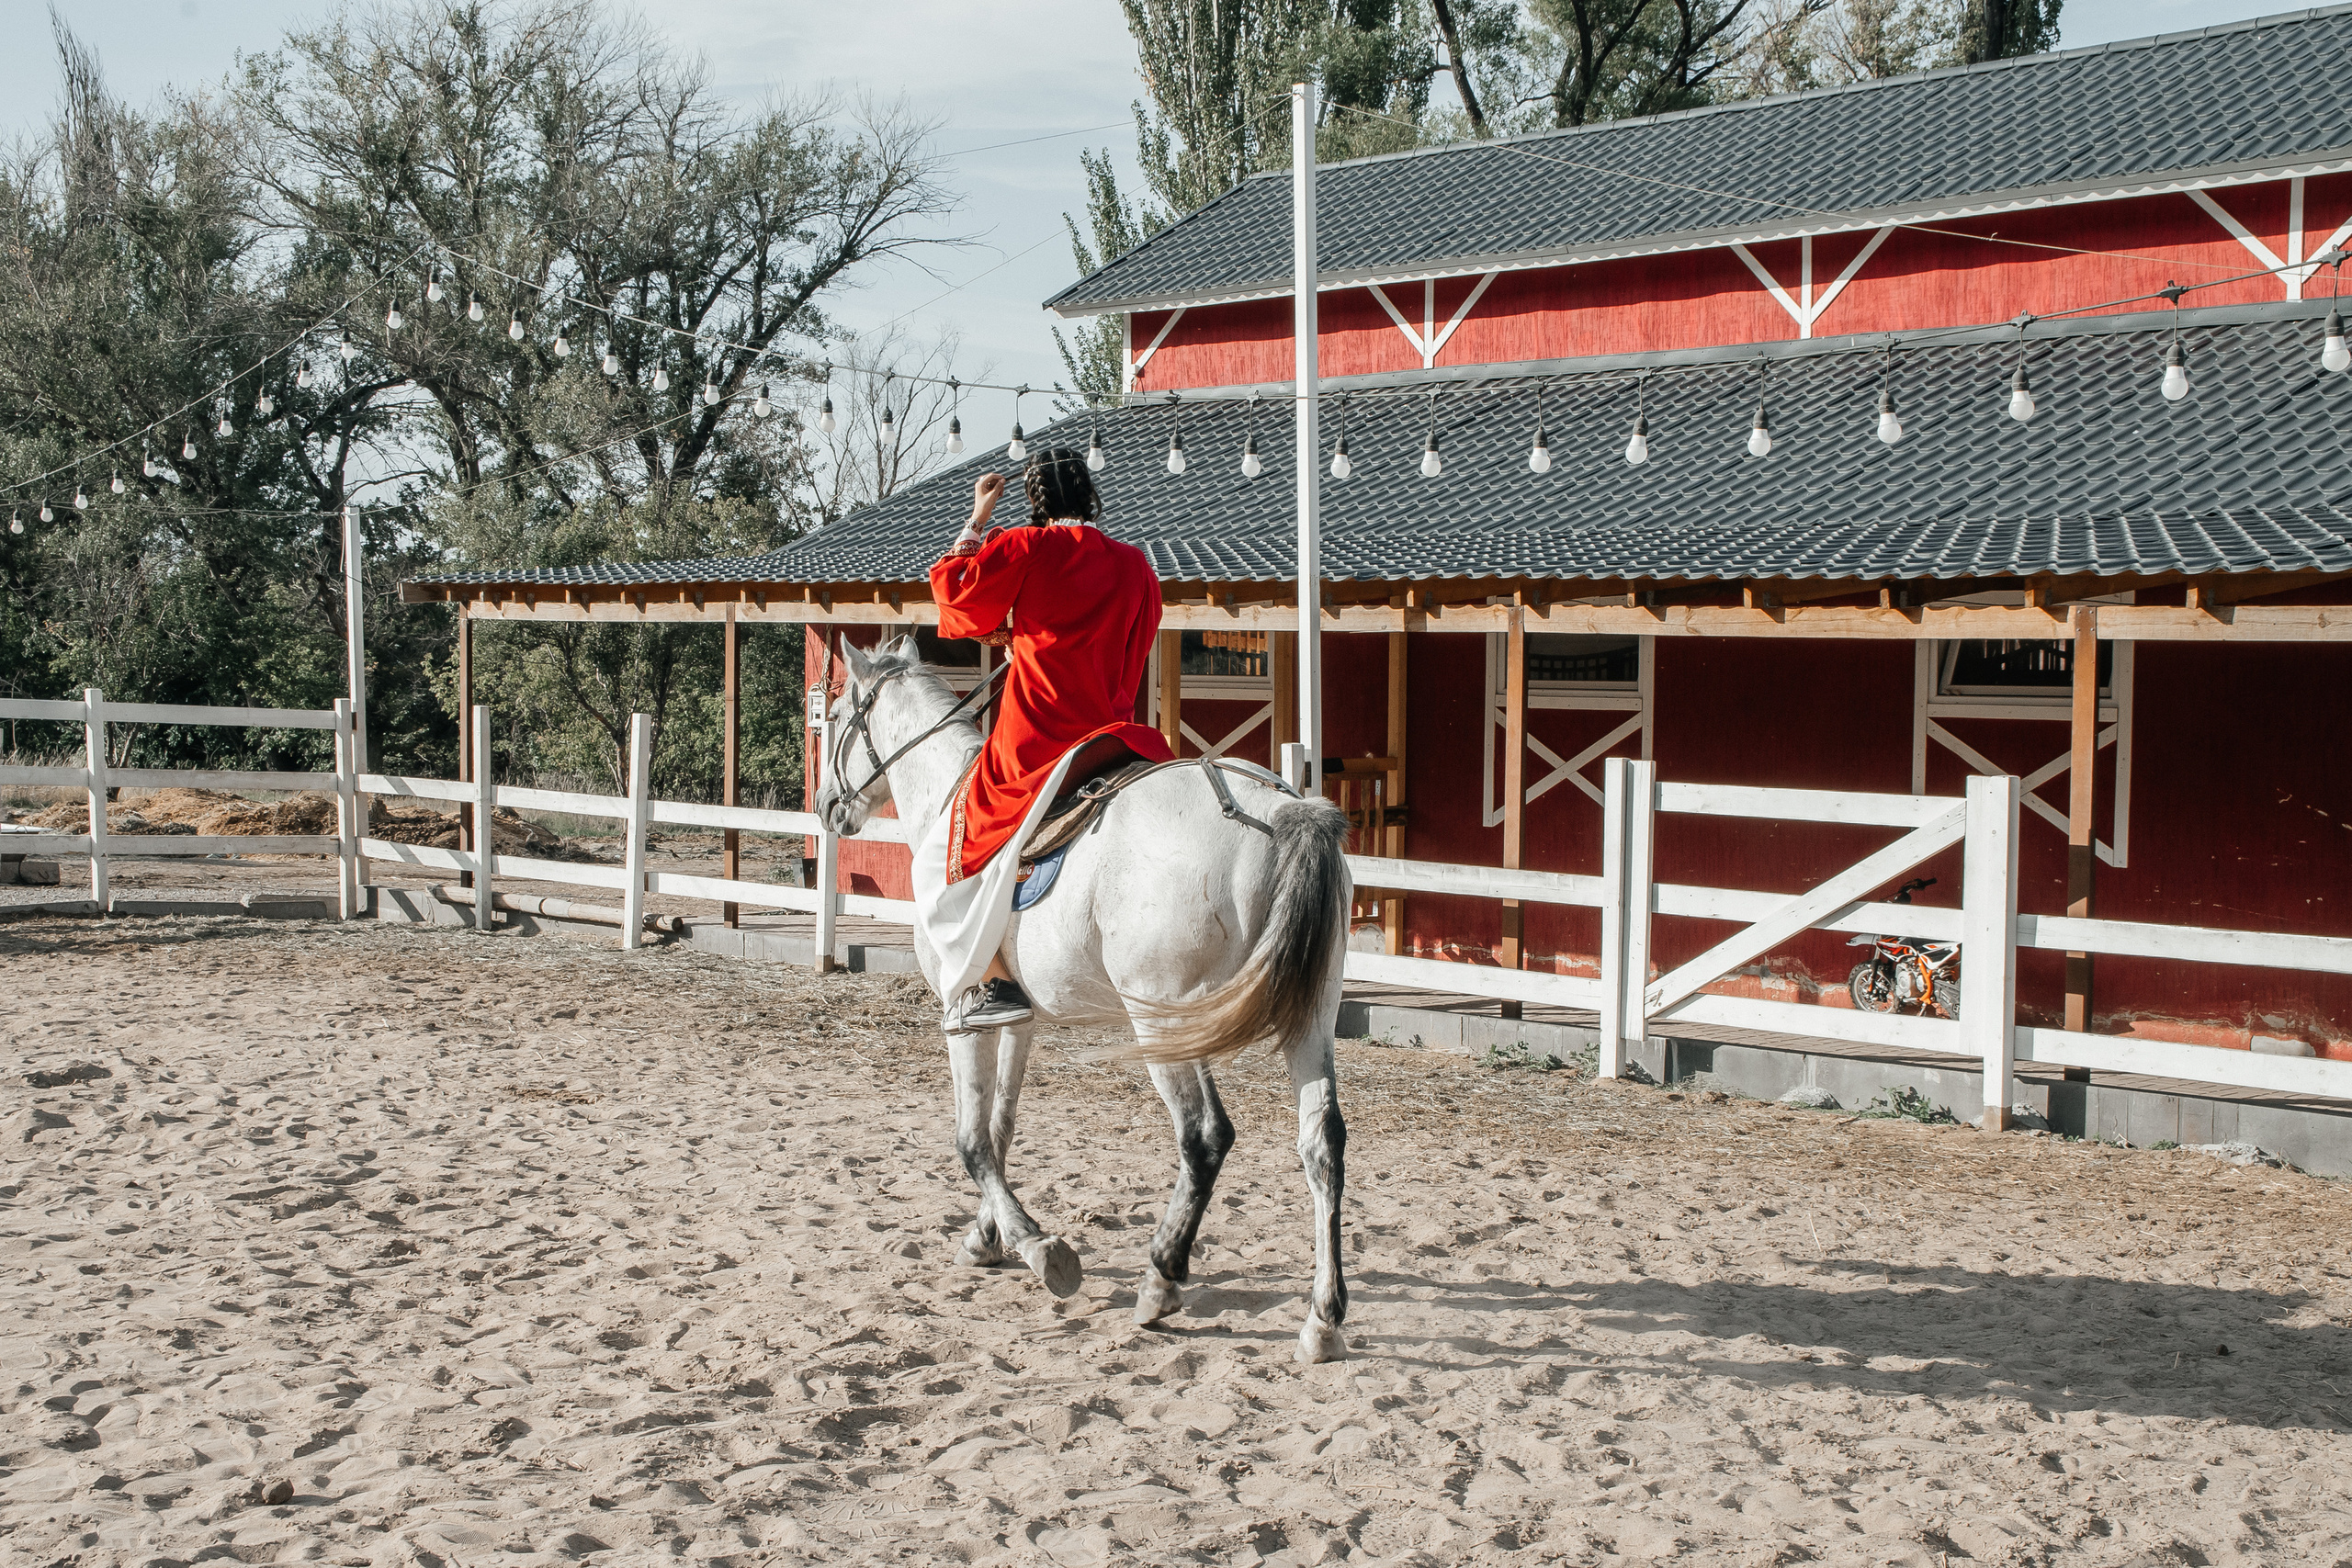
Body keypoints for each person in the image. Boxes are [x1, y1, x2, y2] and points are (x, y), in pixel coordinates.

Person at [924, 447, 1173, 1030]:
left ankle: (993, 982)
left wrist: (977, 520)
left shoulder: (1025, 548)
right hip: (1114, 734)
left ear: (1036, 501)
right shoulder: (1135, 564)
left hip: (1035, 740)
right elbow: (1139, 640)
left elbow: (957, 601)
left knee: (942, 853)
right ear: (1089, 493)